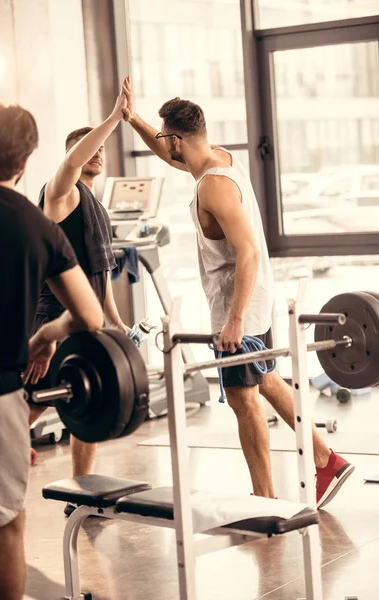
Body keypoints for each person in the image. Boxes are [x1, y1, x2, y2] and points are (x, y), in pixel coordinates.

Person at [121, 77, 354, 508]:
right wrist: (131, 116)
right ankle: (327, 459)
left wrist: (233, 320)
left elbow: (245, 252)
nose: (162, 145)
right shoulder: (218, 158)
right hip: (257, 299)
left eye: (164, 138)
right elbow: (169, 156)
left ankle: (265, 499)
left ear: (176, 139)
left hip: (239, 305)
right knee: (265, 377)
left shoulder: (212, 186)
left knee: (241, 399)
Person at [0, 101, 104, 600]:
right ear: (26, 161)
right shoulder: (37, 227)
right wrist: (46, 337)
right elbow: (90, 317)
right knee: (6, 525)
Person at [26, 81, 130, 515]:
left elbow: (96, 273)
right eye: (92, 147)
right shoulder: (61, 193)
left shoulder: (95, 204)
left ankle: (82, 495)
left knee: (84, 398)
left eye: (103, 148)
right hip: (51, 319)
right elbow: (72, 160)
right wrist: (113, 119)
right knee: (27, 404)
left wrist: (116, 321)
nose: (99, 154)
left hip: (84, 320)